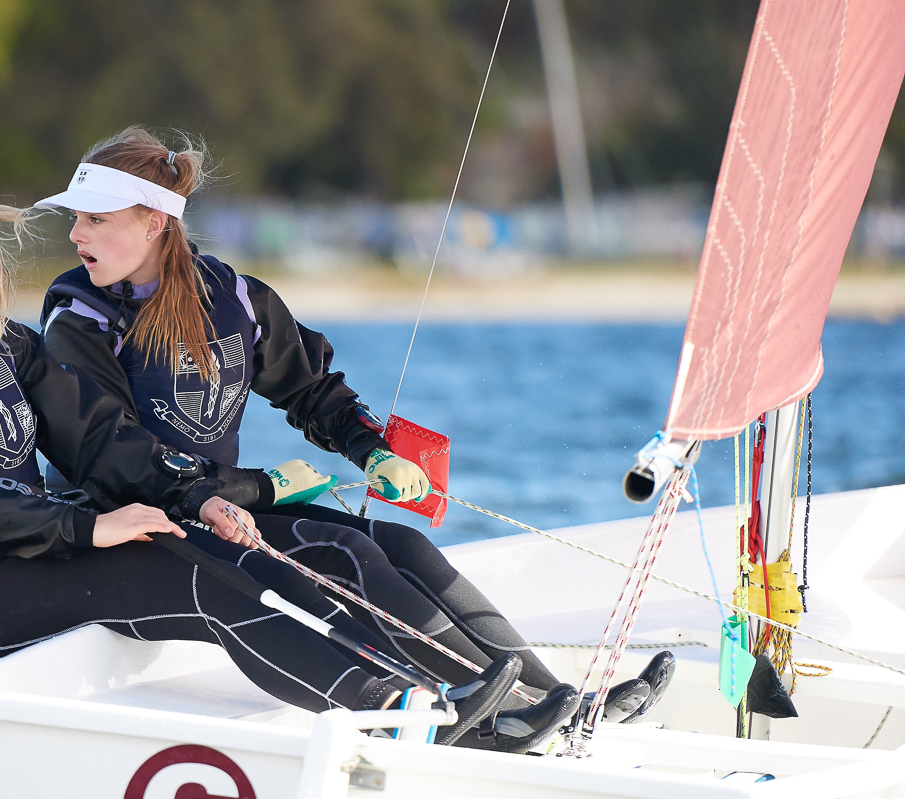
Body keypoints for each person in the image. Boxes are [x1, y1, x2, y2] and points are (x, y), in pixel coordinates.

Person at [0, 166, 502, 719]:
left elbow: (101, 442)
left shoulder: (2, 343)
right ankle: (397, 709)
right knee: (208, 578)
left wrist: (198, 498)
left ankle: (475, 699)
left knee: (236, 552)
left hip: (50, 547)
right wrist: (90, 525)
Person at [33, 128, 607, 749]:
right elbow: (106, 455)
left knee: (405, 546)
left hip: (220, 508)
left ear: (154, 223)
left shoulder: (236, 299)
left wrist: (372, 449)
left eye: (93, 218)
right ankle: (489, 717)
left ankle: (554, 702)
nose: (75, 235)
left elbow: (310, 390)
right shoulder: (79, 320)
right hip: (131, 525)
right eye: (75, 219)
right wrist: (262, 488)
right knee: (341, 552)